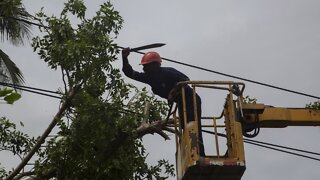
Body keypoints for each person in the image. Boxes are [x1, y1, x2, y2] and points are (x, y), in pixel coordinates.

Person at [121, 48, 205, 156]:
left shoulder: (168, 72)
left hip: (191, 99)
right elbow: (129, 73)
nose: (144, 68)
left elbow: (185, 79)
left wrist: (173, 92)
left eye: (146, 66)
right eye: (144, 66)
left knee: (192, 125)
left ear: (155, 65)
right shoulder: (149, 78)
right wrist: (124, 57)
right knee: (185, 127)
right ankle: (192, 154)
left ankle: (200, 155)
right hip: (181, 103)